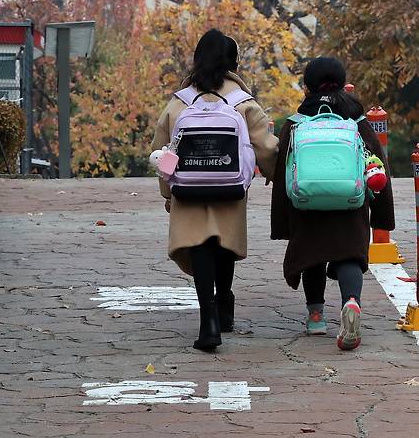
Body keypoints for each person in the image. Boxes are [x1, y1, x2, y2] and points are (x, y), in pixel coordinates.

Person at [152, 29, 278, 351]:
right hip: (229, 188)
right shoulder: (242, 102)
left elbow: (160, 150)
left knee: (199, 246)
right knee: (224, 245)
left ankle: (207, 319)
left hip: (188, 190)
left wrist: (168, 192)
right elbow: (266, 147)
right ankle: (224, 306)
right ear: (233, 62)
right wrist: (275, 174)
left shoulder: (179, 102)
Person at [270, 57, 396, 350]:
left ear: (306, 88)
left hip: (306, 204)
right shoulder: (356, 120)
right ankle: (351, 302)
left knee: (313, 254)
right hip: (350, 204)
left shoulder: (296, 123)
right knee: (349, 256)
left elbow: (282, 172)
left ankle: (316, 317)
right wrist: (381, 215)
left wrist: (284, 221)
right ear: (342, 84)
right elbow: (377, 165)